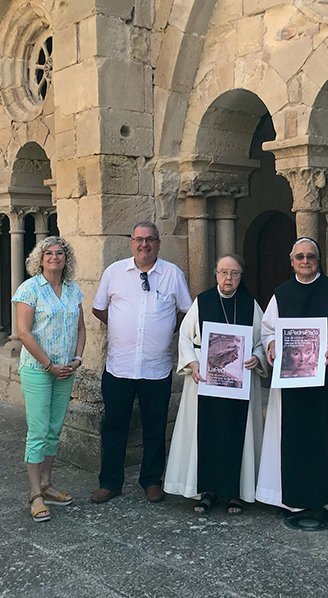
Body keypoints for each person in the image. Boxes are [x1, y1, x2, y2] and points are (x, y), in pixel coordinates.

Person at [91, 221, 193, 504]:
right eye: (138, 239)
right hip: (119, 366)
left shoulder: (172, 274)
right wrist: (123, 328)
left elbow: (187, 312)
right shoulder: (114, 273)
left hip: (155, 367)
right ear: (131, 242)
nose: (144, 244)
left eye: (149, 240)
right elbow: (99, 308)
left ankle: (151, 481)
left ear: (158, 243)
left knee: (155, 426)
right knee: (113, 426)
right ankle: (110, 482)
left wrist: (163, 330)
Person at [256, 237, 328, 529]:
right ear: (291, 260)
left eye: (310, 256)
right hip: (290, 381)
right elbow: (268, 329)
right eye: (300, 257)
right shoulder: (281, 294)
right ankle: (293, 499)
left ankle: (326, 501)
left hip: (325, 376)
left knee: (324, 434)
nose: (305, 261)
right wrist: (271, 345)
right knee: (291, 435)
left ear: (318, 260)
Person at [164, 254, 267, 514]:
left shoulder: (250, 304)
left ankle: (236, 493)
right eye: (223, 272)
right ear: (216, 274)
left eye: (234, 273)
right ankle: (206, 491)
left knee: (237, 433)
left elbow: (262, 339)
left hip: (239, 382)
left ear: (241, 277)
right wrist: (193, 364)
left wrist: (257, 357)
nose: (228, 278)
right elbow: (186, 339)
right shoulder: (203, 301)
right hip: (206, 381)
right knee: (206, 433)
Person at [11, 236, 87, 522]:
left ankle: (47, 483)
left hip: (66, 369)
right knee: (39, 431)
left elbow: (81, 328)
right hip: (38, 369)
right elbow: (24, 332)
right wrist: (49, 364)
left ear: (66, 259)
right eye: (48, 253)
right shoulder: (29, 289)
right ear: (40, 259)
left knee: (55, 430)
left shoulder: (72, 290)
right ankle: (35, 494)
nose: (54, 257)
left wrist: (78, 359)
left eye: (60, 253)